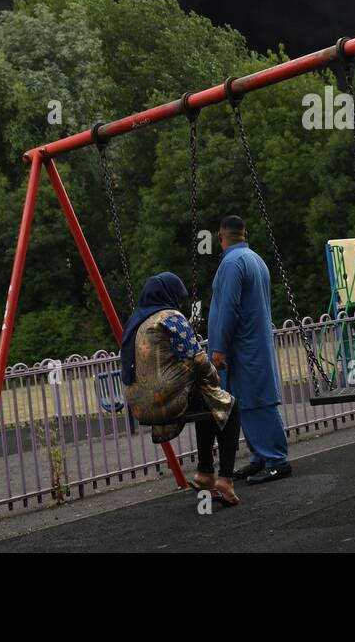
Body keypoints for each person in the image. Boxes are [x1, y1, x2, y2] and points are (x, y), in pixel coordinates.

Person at [120, 272, 241, 506]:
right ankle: (225, 478)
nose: (181, 304)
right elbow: (196, 358)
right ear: (171, 296)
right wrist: (213, 374)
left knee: (208, 407)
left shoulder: (136, 321)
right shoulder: (170, 316)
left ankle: (205, 474)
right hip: (164, 399)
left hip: (139, 404)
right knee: (231, 406)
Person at [208, 215, 292, 485]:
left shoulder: (231, 264)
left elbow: (229, 308)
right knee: (248, 402)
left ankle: (276, 460)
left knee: (256, 402)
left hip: (242, 348)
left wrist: (219, 348)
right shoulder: (255, 259)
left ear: (221, 237)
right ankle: (261, 457)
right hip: (255, 343)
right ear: (244, 234)